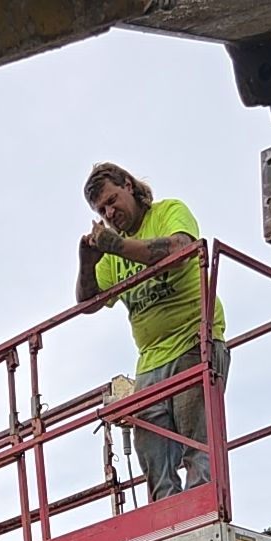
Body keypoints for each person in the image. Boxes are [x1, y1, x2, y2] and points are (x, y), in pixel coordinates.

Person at [76, 161, 229, 501]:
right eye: (102, 210)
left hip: (194, 341)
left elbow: (178, 251)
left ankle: (202, 516)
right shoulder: (113, 254)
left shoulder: (169, 212)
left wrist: (115, 245)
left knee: (198, 447)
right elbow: (87, 304)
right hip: (151, 361)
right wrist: (87, 261)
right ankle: (169, 524)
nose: (110, 212)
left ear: (129, 185)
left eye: (113, 200)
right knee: (154, 455)